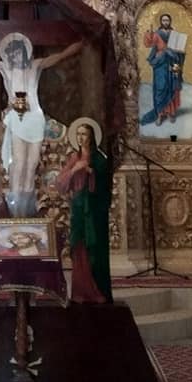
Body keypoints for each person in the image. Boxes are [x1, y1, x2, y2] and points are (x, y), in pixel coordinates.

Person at [0, 30, 81, 217]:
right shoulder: (4, 68)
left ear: (24, 52)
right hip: (18, 118)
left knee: (32, 164)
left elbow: (60, 56)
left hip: (35, 118)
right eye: (11, 54)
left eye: (17, 52)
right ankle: (15, 212)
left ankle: (27, 212)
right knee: (19, 163)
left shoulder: (36, 66)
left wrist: (81, 43)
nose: (14, 56)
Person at [56, 118, 112, 302]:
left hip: (93, 210)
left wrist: (90, 171)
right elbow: (61, 182)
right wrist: (75, 170)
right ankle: (80, 291)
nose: (80, 138)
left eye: (84, 134)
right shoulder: (75, 158)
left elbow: (105, 183)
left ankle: (96, 291)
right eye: (78, 134)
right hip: (79, 208)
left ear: (91, 137)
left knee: (93, 250)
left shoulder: (99, 159)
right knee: (78, 248)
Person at [141, 13, 184, 127]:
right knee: (161, 87)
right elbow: (148, 44)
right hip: (160, 63)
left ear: (170, 21)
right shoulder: (157, 34)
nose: (165, 22)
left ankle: (170, 112)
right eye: (164, 20)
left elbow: (179, 49)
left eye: (167, 20)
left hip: (172, 61)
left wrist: (178, 52)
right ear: (161, 21)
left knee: (172, 86)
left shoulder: (174, 34)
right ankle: (160, 114)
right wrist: (149, 35)